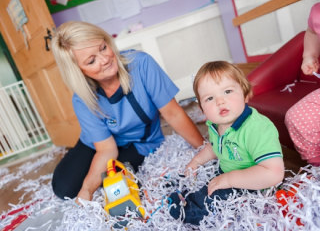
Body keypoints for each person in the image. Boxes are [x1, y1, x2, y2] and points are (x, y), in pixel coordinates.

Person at [50, 21, 204, 201]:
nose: (105, 59)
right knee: (64, 188)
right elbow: (106, 149)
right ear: (79, 71)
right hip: (100, 144)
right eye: (91, 61)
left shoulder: (142, 64)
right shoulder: (81, 99)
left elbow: (173, 113)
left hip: (140, 142)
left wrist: (205, 150)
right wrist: (86, 190)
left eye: (103, 48)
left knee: (117, 183)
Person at [169, 61, 285, 225]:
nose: (220, 101)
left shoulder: (256, 129)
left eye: (228, 91)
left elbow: (273, 173)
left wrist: (230, 179)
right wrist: (196, 161)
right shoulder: (216, 124)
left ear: (245, 95)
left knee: (210, 203)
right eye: (210, 98)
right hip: (228, 174)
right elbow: (216, 146)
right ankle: (183, 194)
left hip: (254, 187)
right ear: (202, 109)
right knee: (204, 185)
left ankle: (188, 212)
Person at [285, 2, 320, 166]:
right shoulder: (317, 12)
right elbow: (313, 32)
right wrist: (310, 55)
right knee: (295, 118)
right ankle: (316, 167)